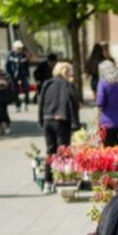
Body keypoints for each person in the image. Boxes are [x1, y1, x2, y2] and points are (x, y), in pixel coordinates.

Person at [38, 62, 81, 191]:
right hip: (62, 121)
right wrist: (75, 123)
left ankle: (47, 181)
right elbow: (72, 103)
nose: (71, 74)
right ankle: (61, 179)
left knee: (50, 151)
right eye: (70, 72)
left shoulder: (47, 83)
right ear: (65, 72)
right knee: (62, 151)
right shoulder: (67, 85)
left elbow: (41, 102)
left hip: (47, 120)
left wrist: (41, 119)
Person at [6, 40, 31, 109]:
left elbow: (27, 65)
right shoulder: (10, 56)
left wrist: (28, 74)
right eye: (18, 48)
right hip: (14, 74)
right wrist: (9, 74)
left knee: (26, 87)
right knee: (15, 89)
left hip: (23, 74)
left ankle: (26, 102)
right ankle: (17, 104)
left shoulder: (23, 55)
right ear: (14, 48)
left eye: (20, 48)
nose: (19, 50)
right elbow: (8, 66)